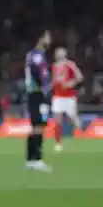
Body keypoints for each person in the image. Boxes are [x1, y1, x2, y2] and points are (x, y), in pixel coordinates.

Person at [24, 30, 53, 171]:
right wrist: (43, 88)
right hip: (37, 94)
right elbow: (37, 73)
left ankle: (30, 159)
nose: (50, 40)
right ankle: (37, 159)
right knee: (39, 125)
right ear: (41, 38)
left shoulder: (35, 55)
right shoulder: (37, 55)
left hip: (34, 94)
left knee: (36, 126)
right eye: (47, 37)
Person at [49, 46, 83, 151]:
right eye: (58, 53)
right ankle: (58, 143)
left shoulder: (70, 64)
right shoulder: (54, 66)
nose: (59, 55)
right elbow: (54, 80)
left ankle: (81, 134)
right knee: (57, 120)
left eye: (61, 53)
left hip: (69, 97)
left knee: (72, 119)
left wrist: (71, 83)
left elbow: (80, 77)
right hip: (58, 97)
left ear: (65, 54)